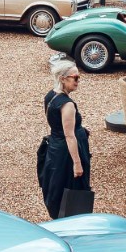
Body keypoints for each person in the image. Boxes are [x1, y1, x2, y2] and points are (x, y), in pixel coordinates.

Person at [37, 59, 90, 219]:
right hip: (66, 153)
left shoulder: (50, 96)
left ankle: (60, 217)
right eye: (75, 78)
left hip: (55, 147)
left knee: (57, 185)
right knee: (72, 187)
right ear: (63, 78)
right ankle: (71, 220)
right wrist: (77, 163)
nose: (78, 81)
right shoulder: (67, 105)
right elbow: (69, 135)